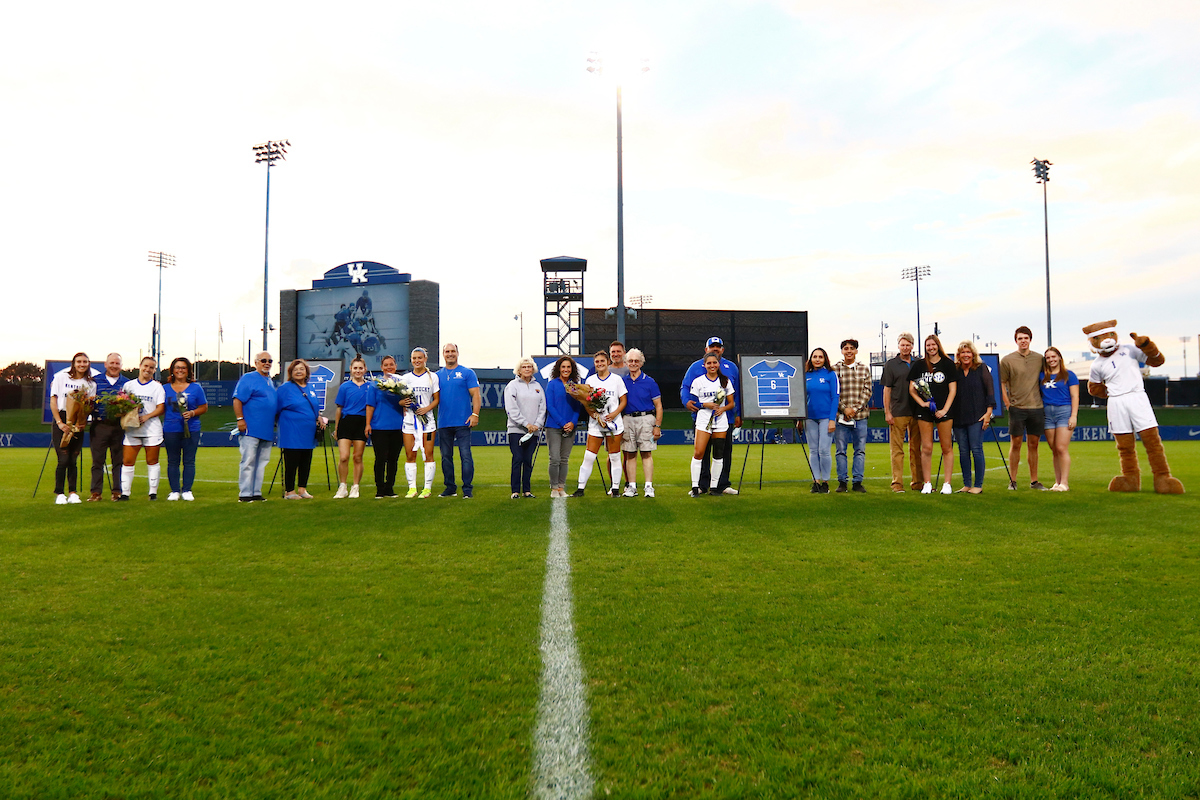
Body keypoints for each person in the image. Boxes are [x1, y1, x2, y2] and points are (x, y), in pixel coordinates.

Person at [680, 336, 742, 495]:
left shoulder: (732, 368)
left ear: (722, 349)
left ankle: (722, 484)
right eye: (712, 347)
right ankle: (701, 485)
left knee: (723, 452)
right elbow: (686, 387)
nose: (715, 349)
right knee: (702, 452)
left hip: (724, 418)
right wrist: (687, 402)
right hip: (702, 417)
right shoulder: (695, 368)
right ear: (706, 349)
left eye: (718, 347)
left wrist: (738, 414)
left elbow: (737, 394)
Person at [572, 351, 627, 498]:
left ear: (608, 362)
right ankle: (580, 488)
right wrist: (595, 416)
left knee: (615, 456)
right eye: (597, 362)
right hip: (596, 424)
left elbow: (623, 401)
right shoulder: (590, 380)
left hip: (614, 424)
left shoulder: (617, 380)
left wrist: (614, 414)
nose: (600, 364)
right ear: (594, 364)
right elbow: (586, 402)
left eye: (602, 361)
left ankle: (615, 488)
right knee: (589, 456)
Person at [999, 326, 1048, 490]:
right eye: (1020, 338)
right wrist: (1007, 403)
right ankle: (1012, 480)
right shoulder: (1007, 360)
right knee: (1016, 444)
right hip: (1017, 408)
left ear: (1030, 340)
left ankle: (1034, 481)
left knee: (1034, 444)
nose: (1023, 341)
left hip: (1036, 407)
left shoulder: (1040, 359)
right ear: (1016, 341)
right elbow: (1001, 382)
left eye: (1026, 338)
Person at [908, 335, 957, 495]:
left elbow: (953, 390)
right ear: (925, 347)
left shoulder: (948, 364)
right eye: (928, 345)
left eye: (933, 345)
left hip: (944, 411)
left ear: (938, 346)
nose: (931, 348)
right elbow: (912, 389)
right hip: (924, 412)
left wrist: (945, 410)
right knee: (927, 447)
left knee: (946, 447)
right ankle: (927, 483)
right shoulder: (919, 365)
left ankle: (947, 484)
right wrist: (922, 403)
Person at [276, 358, 327, 499]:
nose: (299, 371)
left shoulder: (310, 387)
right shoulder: (284, 389)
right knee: (292, 461)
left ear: (307, 372)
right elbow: (276, 409)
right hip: (291, 431)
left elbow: (314, 407)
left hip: (308, 432)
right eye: (295, 369)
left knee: (306, 460)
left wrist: (319, 418)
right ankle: (289, 491)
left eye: (301, 369)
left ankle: (302, 489)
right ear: (290, 372)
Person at [49, 352, 95, 505]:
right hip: (62, 420)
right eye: (79, 361)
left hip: (78, 422)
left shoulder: (91, 384)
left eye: (85, 362)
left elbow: (89, 406)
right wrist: (59, 423)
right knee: (63, 459)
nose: (82, 364)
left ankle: (73, 493)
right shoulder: (61, 378)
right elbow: (53, 401)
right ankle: (59, 493)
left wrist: (83, 421)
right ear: (74, 363)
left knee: (73, 459)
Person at [880, 332, 924, 493]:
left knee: (916, 449)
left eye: (908, 345)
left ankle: (918, 482)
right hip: (898, 411)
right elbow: (887, 389)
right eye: (902, 345)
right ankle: (897, 483)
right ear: (898, 346)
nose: (905, 347)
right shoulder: (891, 364)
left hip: (917, 411)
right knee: (897, 450)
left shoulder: (919, 363)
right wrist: (887, 412)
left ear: (912, 346)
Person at [437, 343, 482, 498]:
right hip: (444, 422)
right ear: (443, 354)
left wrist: (475, 414)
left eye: (453, 351)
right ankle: (450, 487)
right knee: (445, 457)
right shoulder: (436, 375)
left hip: (463, 422)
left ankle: (467, 489)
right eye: (447, 351)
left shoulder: (467, 373)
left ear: (457, 353)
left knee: (465, 455)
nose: (450, 354)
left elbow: (476, 395)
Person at [688, 353, 736, 497]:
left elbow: (731, 403)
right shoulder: (698, 382)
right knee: (699, 453)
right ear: (705, 365)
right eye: (709, 363)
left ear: (718, 364)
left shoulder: (725, 381)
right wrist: (705, 404)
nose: (712, 365)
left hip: (720, 420)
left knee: (718, 454)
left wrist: (723, 408)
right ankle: (695, 486)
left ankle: (714, 488)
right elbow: (692, 403)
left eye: (715, 363)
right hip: (703, 420)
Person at [233, 351, 278, 502]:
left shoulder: (269, 381)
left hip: (266, 429)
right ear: (256, 362)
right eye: (263, 360)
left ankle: (256, 492)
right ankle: (245, 493)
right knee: (249, 460)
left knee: (262, 462)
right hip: (251, 428)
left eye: (270, 361)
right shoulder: (249, 378)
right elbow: (237, 399)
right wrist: (240, 419)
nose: (267, 363)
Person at [162, 356, 208, 501]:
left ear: (188, 370)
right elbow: (160, 408)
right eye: (177, 367)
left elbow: (204, 407)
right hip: (171, 428)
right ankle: (175, 490)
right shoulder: (164, 388)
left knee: (189, 460)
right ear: (172, 370)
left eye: (183, 368)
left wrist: (193, 413)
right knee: (173, 460)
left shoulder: (196, 388)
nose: (180, 370)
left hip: (192, 429)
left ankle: (187, 490)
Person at [120, 356, 166, 501]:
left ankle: (153, 493)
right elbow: (122, 404)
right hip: (132, 429)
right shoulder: (129, 385)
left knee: (152, 461)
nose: (148, 369)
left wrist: (146, 417)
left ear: (154, 370)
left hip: (151, 429)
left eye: (151, 367)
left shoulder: (157, 387)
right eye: (146, 366)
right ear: (140, 366)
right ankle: (125, 493)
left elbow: (161, 408)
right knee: (128, 461)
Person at [951, 341, 994, 494]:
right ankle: (967, 484)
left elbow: (990, 391)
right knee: (963, 451)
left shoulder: (981, 369)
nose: (966, 355)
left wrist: (988, 413)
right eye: (963, 353)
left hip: (978, 416)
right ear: (958, 355)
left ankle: (978, 485)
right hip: (958, 417)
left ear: (973, 354)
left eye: (968, 352)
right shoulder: (955, 370)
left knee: (976, 449)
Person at [619, 348, 663, 498]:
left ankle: (648, 486)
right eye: (630, 361)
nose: (633, 363)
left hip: (646, 419)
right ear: (625, 362)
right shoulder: (622, 382)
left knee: (646, 453)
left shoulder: (650, 382)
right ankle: (631, 486)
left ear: (641, 363)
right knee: (629, 454)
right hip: (627, 419)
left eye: (636, 361)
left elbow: (658, 405)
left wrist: (657, 426)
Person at [832, 338, 872, 493]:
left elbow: (867, 391)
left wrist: (854, 409)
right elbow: (833, 392)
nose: (848, 351)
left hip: (860, 417)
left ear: (856, 351)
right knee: (840, 450)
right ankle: (842, 482)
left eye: (851, 348)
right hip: (841, 417)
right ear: (842, 351)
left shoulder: (864, 369)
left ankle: (857, 482)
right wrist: (844, 409)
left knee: (859, 450)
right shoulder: (834, 369)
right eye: (846, 348)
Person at [504, 356, 547, 498]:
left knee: (528, 459)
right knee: (517, 458)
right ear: (519, 370)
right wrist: (526, 424)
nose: (527, 369)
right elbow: (511, 409)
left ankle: (527, 490)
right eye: (524, 367)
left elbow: (543, 408)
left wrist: (537, 425)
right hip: (516, 430)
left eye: (529, 367)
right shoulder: (512, 386)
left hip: (534, 431)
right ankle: (515, 491)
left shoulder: (538, 387)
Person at [401, 347, 440, 498]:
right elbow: (399, 400)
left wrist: (426, 409)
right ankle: (412, 488)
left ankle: (427, 488)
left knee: (428, 454)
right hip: (409, 421)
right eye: (414, 358)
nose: (417, 361)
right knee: (410, 454)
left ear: (425, 359)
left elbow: (436, 398)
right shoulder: (405, 378)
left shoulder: (433, 377)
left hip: (427, 421)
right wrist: (403, 402)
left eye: (420, 358)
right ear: (411, 360)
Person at [365, 355, 405, 498]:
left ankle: (389, 488)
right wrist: (368, 424)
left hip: (398, 426)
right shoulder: (375, 384)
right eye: (386, 365)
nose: (389, 367)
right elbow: (370, 405)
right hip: (379, 426)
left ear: (395, 366)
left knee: (393, 459)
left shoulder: (401, 383)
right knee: (380, 458)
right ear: (382, 367)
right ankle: (380, 489)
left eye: (391, 364)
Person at [545, 355, 584, 498]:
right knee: (554, 458)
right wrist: (562, 423)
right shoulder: (552, 384)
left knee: (564, 459)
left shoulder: (574, 386)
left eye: (568, 367)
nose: (566, 369)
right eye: (563, 367)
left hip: (570, 427)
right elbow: (550, 406)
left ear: (572, 369)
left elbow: (578, 407)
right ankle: (554, 488)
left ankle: (561, 487)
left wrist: (573, 423)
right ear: (558, 369)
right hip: (554, 427)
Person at [1041, 346, 1079, 492]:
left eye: (1053, 356)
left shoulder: (1069, 375)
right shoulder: (1042, 376)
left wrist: (1073, 416)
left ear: (1059, 357)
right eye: (1048, 358)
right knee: (1054, 449)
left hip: (1064, 411)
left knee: (1061, 448)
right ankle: (1057, 482)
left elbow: (1075, 396)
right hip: (1047, 413)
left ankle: (1065, 482)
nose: (1051, 360)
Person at [88, 352, 125, 501]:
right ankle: (96, 493)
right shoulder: (94, 381)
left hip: (119, 426)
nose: (114, 366)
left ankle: (117, 492)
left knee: (118, 461)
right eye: (112, 363)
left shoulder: (127, 383)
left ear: (121, 366)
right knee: (97, 461)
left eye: (117, 363)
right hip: (99, 425)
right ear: (105, 364)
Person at [802, 348, 839, 494]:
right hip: (810, 418)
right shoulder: (805, 376)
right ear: (811, 359)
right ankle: (815, 481)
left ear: (825, 359)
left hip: (825, 418)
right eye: (815, 357)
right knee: (813, 450)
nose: (817, 359)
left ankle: (825, 482)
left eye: (820, 357)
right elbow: (802, 398)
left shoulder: (831, 375)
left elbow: (835, 397)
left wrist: (832, 420)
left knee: (824, 451)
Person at [333, 357, 370, 499]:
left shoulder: (369, 387)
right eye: (355, 368)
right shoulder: (344, 387)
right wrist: (337, 428)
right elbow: (339, 408)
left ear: (365, 369)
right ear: (351, 369)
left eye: (360, 368)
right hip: (346, 422)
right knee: (344, 457)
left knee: (357, 457)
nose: (358, 371)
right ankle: (342, 487)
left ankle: (355, 487)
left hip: (361, 422)